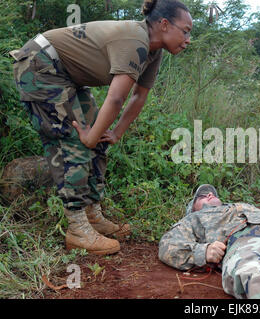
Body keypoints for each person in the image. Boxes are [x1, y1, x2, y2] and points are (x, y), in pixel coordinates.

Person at [9, 0, 192, 255]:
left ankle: (93, 214)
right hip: (39, 65)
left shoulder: (154, 51)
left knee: (100, 135)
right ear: (164, 24)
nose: (188, 39)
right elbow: (115, 99)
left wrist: (113, 133)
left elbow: (139, 96)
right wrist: (88, 137)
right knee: (71, 139)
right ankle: (77, 228)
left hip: (66, 74)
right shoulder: (136, 40)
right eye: (185, 30)